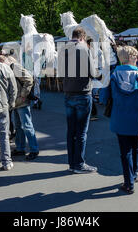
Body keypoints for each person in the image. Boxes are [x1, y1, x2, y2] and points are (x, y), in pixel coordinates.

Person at [104, 46, 138, 194]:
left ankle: (128, 182)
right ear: (133, 58)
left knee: (124, 151)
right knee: (136, 147)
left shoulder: (113, 75)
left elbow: (103, 97)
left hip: (120, 118)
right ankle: (134, 174)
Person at [58, 27, 101, 174]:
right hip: (82, 93)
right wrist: (100, 74)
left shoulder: (63, 50)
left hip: (68, 93)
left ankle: (72, 163)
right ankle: (79, 164)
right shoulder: (84, 49)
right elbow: (92, 72)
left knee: (71, 131)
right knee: (81, 132)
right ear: (82, 37)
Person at [0, 55, 39, 161]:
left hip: (21, 102)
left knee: (27, 126)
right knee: (18, 126)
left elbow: (29, 79)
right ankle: (20, 148)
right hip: (16, 103)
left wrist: (23, 95)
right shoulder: (8, 68)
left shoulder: (14, 67)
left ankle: (34, 149)